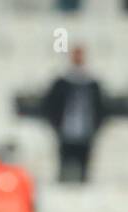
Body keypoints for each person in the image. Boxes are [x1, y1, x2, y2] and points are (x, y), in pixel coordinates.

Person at [43, 45, 104, 183]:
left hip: (85, 132)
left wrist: (95, 127)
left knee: (85, 169)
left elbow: (101, 109)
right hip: (66, 131)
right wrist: (57, 125)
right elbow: (50, 106)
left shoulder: (92, 84)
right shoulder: (61, 82)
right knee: (64, 167)